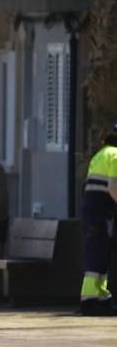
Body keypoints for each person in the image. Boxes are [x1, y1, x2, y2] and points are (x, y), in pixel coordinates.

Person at [79, 124, 117, 316]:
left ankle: (100, 296)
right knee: (98, 254)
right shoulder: (116, 155)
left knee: (98, 252)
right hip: (101, 212)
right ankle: (91, 300)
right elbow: (113, 187)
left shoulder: (100, 155)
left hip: (91, 210)